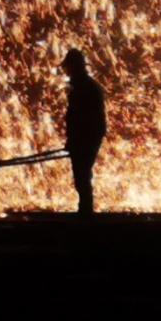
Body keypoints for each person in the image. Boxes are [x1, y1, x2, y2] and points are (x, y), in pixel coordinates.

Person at [62, 48, 107, 217]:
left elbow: (81, 117)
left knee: (82, 173)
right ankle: (85, 211)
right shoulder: (83, 86)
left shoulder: (84, 87)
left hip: (87, 136)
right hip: (88, 136)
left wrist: (76, 140)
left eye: (68, 67)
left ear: (74, 67)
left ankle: (86, 214)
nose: (66, 72)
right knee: (82, 173)